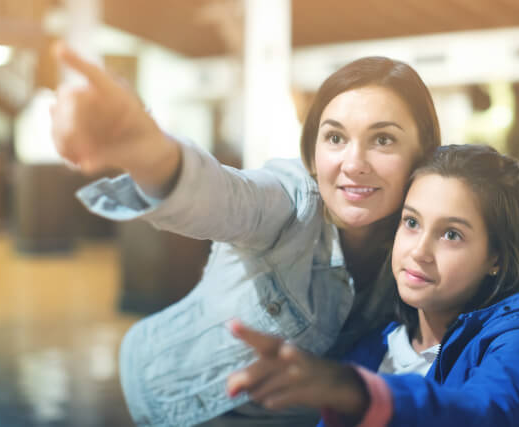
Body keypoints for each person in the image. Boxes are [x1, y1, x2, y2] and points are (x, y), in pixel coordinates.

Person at [49, 44, 441, 427]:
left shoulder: (425, 246)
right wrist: (147, 152)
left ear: (421, 155)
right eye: (335, 138)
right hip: (174, 406)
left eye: (383, 140)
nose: (353, 164)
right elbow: (223, 196)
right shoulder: (290, 204)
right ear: (313, 147)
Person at [227, 144, 519, 427]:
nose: (419, 251)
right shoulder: (377, 342)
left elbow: (487, 413)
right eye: (412, 222)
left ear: (496, 258)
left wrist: (357, 391)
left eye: (451, 234)